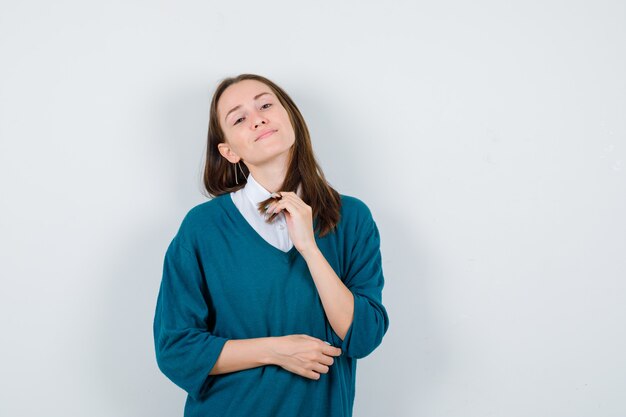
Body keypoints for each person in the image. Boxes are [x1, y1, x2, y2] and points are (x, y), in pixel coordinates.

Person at [153, 73, 390, 417]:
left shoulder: (352, 218)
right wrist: (276, 351)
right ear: (229, 151)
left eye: (265, 104)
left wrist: (309, 247)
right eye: (239, 118)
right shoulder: (202, 228)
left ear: (290, 117)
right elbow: (175, 349)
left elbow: (363, 336)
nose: (258, 118)